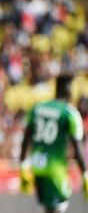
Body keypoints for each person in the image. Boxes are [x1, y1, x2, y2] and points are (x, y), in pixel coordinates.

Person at [20, 74, 88, 213]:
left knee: (46, 208)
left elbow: (26, 139)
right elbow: (78, 149)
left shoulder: (37, 108)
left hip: (37, 167)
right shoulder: (69, 113)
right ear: (68, 89)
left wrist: (23, 164)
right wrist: (85, 173)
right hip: (55, 170)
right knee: (57, 207)